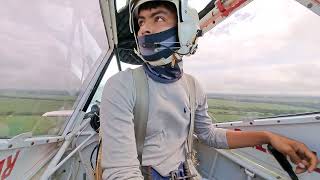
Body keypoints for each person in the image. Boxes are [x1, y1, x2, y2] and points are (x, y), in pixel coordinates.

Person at [100, 0, 319, 179]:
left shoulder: (192, 86)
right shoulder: (122, 85)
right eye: (141, 22)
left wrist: (267, 136)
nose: (145, 29)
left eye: (158, 18)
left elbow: (208, 134)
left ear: (184, 30)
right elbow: (122, 172)